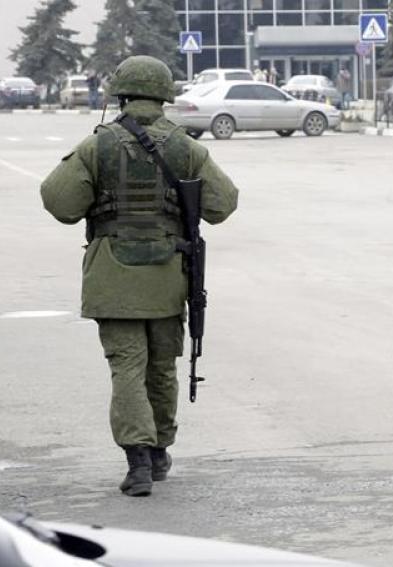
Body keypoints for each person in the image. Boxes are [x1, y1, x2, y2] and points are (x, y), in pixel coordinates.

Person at [40, 56, 239, 497]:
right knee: (162, 367)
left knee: (127, 369)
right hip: (169, 278)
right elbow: (222, 205)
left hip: (113, 279)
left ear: (122, 95)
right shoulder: (186, 148)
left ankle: (137, 463)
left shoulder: (99, 145)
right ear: (165, 95)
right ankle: (159, 452)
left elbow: (59, 203)